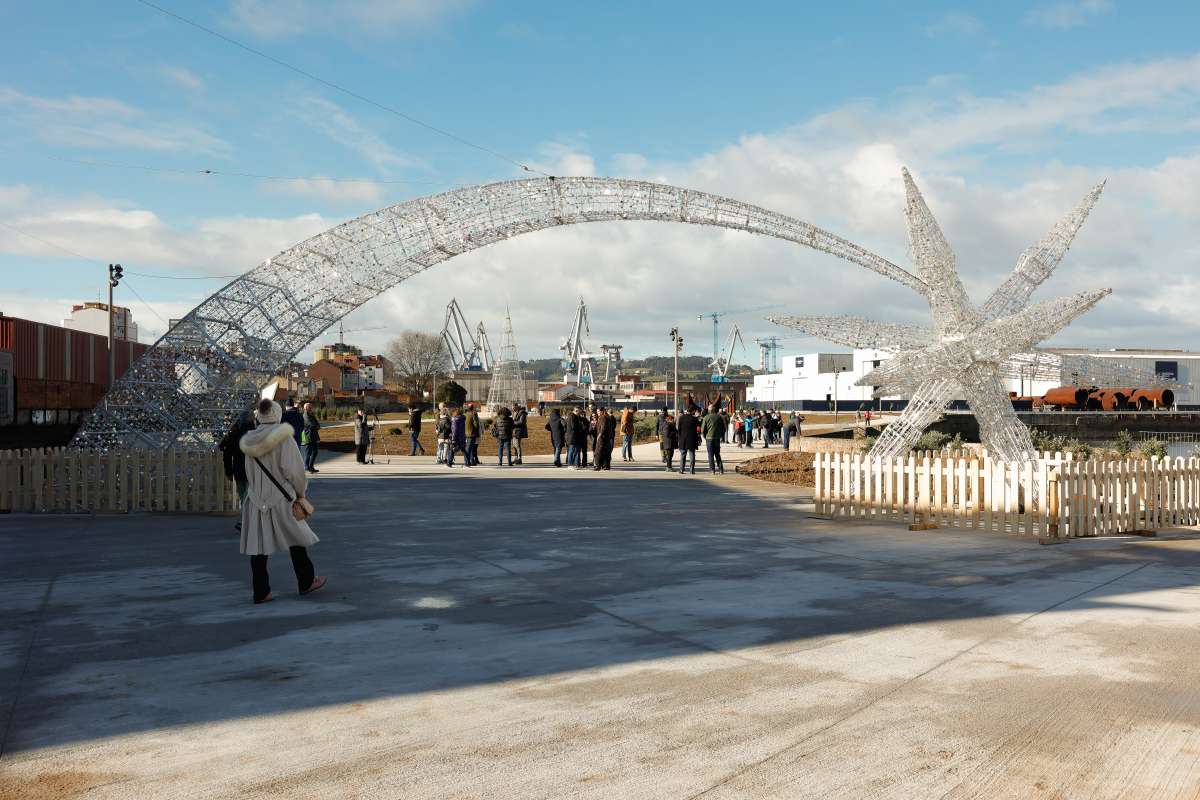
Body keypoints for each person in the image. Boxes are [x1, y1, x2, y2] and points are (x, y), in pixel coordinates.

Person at [238, 399, 326, 605]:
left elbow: (248, 473)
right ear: (277, 414)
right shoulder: (284, 439)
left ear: (259, 416)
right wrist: (300, 493)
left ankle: (261, 592)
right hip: (282, 498)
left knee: (258, 547)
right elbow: (295, 472)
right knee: (296, 539)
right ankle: (306, 581)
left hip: (256, 499)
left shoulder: (248, 440)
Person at [220, 407, 256, 532]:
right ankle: (247, 521)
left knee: (243, 497)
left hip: (239, 470)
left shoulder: (234, 434)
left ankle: (245, 521)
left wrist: (228, 471)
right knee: (250, 497)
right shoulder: (256, 434)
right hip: (253, 471)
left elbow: (227, 453)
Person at [702, 403, 726, 474]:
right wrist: (721, 435)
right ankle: (721, 469)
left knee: (710, 454)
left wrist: (704, 436)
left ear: (709, 410)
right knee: (717, 454)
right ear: (715, 410)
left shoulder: (706, 417)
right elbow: (724, 428)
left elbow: (703, 429)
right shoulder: (719, 417)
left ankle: (712, 470)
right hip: (717, 438)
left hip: (709, 438)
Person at [677, 406, 700, 475]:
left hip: (683, 439)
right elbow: (699, 427)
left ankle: (681, 470)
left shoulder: (681, 418)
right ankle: (691, 470)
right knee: (692, 454)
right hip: (692, 439)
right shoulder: (695, 419)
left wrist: (680, 437)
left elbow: (679, 429)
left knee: (683, 454)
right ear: (693, 411)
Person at [301, 402, 321, 473]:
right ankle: (307, 466)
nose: (312, 408)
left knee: (315, 452)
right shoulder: (305, 415)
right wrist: (316, 426)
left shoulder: (311, 415)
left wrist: (316, 426)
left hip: (313, 436)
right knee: (308, 452)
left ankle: (311, 466)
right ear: (307, 408)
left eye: (311, 406)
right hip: (308, 436)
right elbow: (312, 425)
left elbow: (317, 424)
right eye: (310, 406)